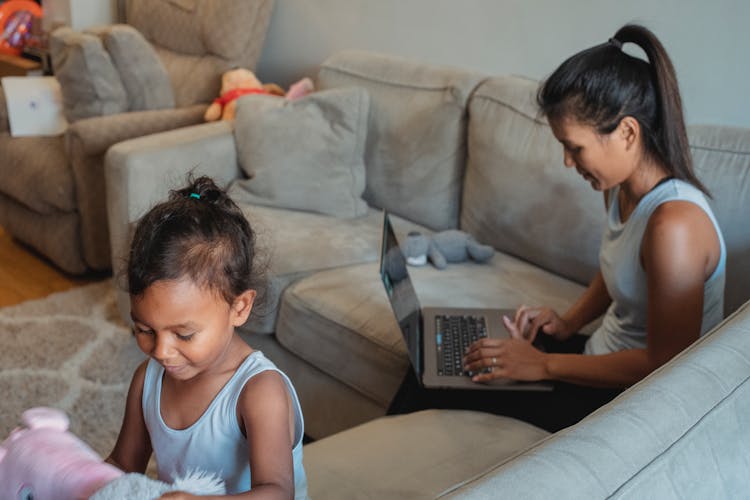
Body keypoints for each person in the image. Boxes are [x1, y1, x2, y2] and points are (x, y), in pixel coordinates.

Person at [390, 24, 726, 432]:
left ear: (627, 132)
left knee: (437, 381)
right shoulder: (619, 189)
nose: (569, 162)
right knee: (440, 354)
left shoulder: (675, 226)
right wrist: (568, 323)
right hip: (596, 357)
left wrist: (544, 364)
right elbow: (618, 266)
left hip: (628, 401)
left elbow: (666, 365)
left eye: (574, 147)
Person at [106, 176, 307, 499]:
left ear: (239, 307)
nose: (161, 351)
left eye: (183, 334)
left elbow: (277, 492)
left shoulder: (258, 391)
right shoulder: (147, 381)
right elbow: (121, 465)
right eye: (144, 330)